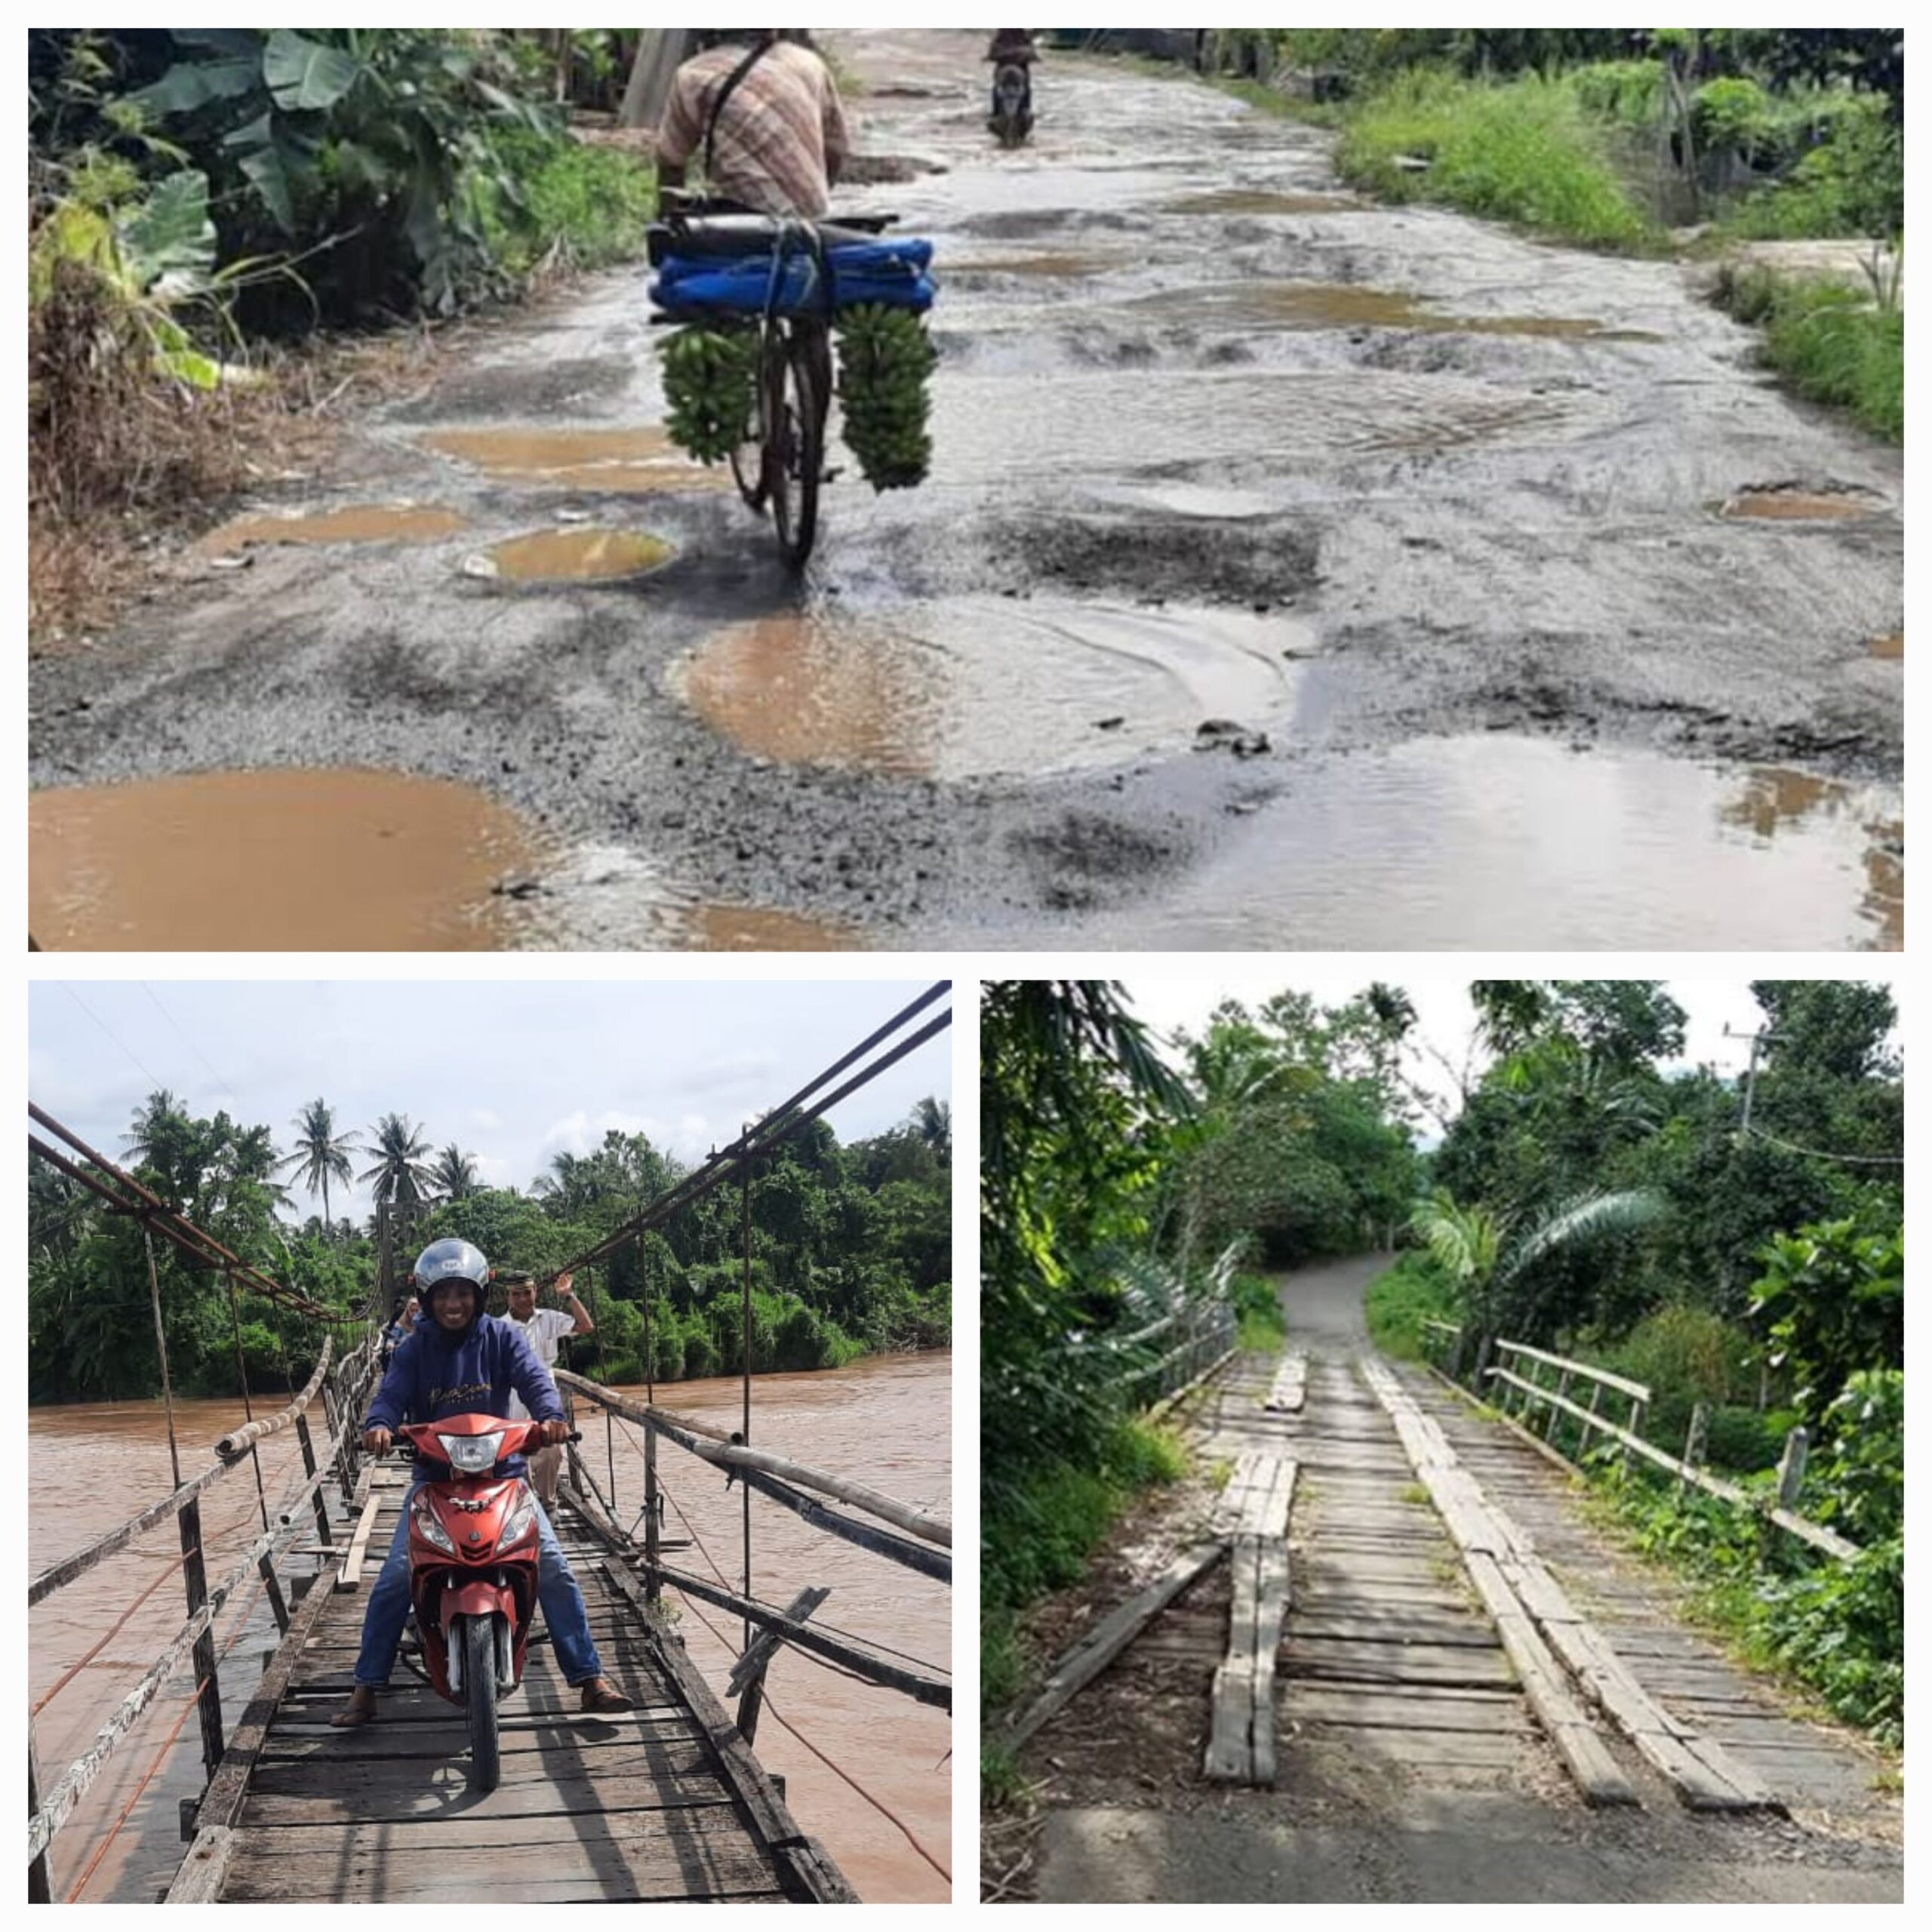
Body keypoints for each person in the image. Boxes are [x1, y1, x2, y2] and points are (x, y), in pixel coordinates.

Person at [333, 1238, 632, 1726]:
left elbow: (535, 1380)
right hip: (434, 1480)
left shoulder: (502, 1338)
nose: (454, 1304)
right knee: (393, 1580)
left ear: (478, 1294)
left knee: (553, 1567)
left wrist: (551, 1417)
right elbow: (389, 1395)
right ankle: (366, 1687)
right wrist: (379, 1426)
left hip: (504, 1477)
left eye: (463, 1293)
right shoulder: (413, 1348)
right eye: (443, 1295)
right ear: (428, 1299)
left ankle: (589, 1678)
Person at [656, 30, 851, 223]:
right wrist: (811, 200)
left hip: (738, 222)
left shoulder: (694, 75)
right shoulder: (809, 65)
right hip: (808, 222)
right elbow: (837, 147)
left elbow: (671, 160)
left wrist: (668, 222)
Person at [500, 1270, 593, 1509]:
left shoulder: (549, 1319)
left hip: (545, 1395)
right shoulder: (499, 1328)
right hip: (513, 1395)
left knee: (552, 1450)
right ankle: (525, 1501)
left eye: (527, 1293)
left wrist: (568, 1295)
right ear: (508, 1297)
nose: (523, 1299)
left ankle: (547, 1500)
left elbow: (585, 1326)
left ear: (535, 1292)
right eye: (516, 1294)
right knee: (515, 1450)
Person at [985, 29, 1038, 128]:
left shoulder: (1001, 39)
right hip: (1009, 74)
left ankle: (996, 113)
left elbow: (991, 54)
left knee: (1025, 89)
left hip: (1013, 73)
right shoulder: (1023, 39)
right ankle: (997, 113)